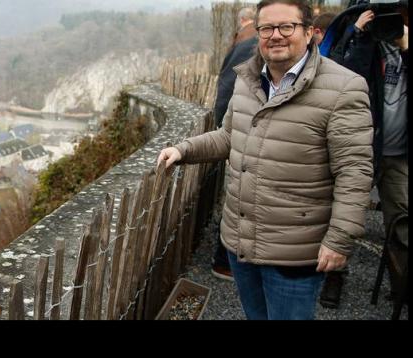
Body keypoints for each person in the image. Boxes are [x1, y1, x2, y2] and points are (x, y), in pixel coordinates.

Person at [157, 0, 374, 320]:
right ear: (256, 33)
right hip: (240, 242)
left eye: (287, 27)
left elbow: (353, 170)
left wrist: (340, 239)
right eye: (267, 28)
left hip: (294, 252)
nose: (276, 35)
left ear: (310, 32)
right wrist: (184, 150)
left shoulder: (343, 88)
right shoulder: (248, 79)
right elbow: (230, 136)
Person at [320, 2, 408, 308]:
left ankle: (402, 286)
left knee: (401, 221)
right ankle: (334, 276)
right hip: (359, 148)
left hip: (398, 153)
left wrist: (406, 48)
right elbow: (341, 76)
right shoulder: (363, 41)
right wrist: (359, 33)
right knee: (341, 212)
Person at [210, 34, 259, 282]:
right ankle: (226, 260)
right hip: (246, 146)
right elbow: (227, 88)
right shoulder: (247, 53)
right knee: (240, 197)